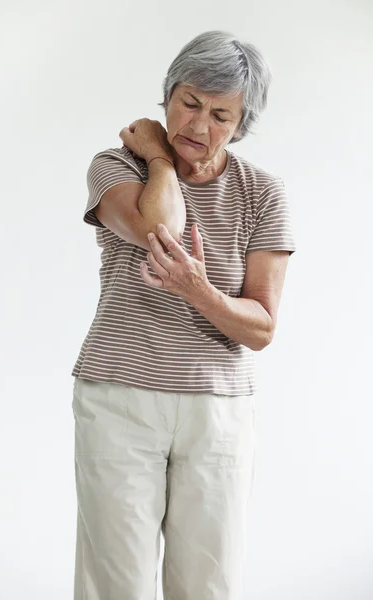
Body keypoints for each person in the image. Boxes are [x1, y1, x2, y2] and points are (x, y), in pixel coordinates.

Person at [71, 29, 296, 600]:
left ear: (241, 126)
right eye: (189, 103)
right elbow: (160, 231)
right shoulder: (116, 165)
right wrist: (156, 158)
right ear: (167, 96)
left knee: (207, 584)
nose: (198, 126)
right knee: (114, 582)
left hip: (217, 408)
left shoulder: (263, 193)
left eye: (221, 115)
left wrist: (199, 291)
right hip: (120, 395)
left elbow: (262, 327)